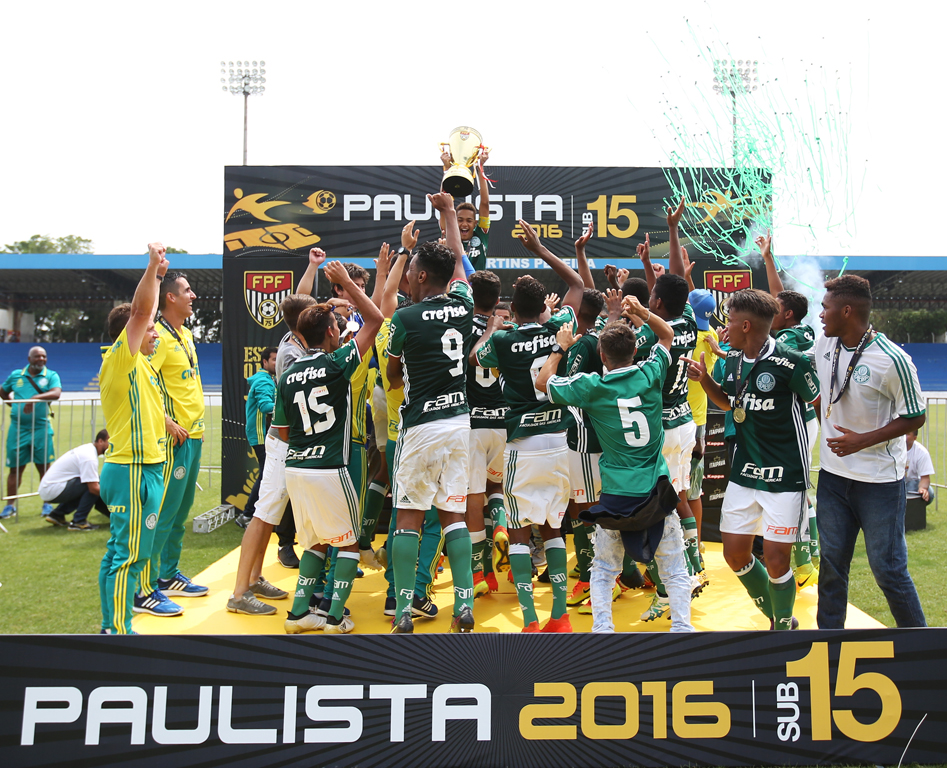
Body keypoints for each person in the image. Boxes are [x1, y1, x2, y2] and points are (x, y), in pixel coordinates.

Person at [537, 301, 694, 633]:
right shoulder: (651, 373)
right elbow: (667, 336)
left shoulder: (593, 387)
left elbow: (543, 382)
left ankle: (603, 631)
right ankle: (682, 629)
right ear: (636, 350)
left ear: (602, 356)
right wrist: (644, 313)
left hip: (617, 497)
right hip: (655, 492)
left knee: (604, 568)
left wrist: (559, 349)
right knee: (675, 568)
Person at [471, 221, 585, 633]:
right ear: (543, 309)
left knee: (518, 531)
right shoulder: (560, 328)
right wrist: (538, 249)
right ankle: (559, 616)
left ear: (512, 309)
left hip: (519, 444)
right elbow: (577, 283)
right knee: (554, 528)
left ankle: (530, 619)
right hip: (558, 441)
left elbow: (476, 358)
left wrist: (495, 328)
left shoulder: (502, 341)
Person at [688, 288, 820, 630]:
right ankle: (778, 619)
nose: (724, 327)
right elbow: (727, 403)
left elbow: (819, 404)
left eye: (729, 320)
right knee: (734, 555)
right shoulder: (731, 360)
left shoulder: (793, 362)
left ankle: (781, 626)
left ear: (746, 325)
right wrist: (705, 381)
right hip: (745, 474)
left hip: (785, 475)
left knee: (776, 561)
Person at [274, 261, 384, 634]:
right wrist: (345, 285)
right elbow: (375, 319)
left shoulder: (287, 374)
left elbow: (283, 431)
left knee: (316, 543)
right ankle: (335, 617)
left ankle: (298, 614)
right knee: (349, 544)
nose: (340, 330)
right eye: (336, 327)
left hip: (296, 468)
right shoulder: (338, 363)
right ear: (331, 332)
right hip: (330, 468)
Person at [814, 274, 927, 629]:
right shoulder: (824, 344)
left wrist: (862, 440)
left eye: (825, 307)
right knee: (831, 567)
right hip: (833, 478)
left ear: (846, 311)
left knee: (889, 571)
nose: (820, 314)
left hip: (878, 483)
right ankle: (827, 652)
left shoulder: (893, 360)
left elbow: (916, 416)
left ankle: (924, 650)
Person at [387, 190, 476, 635]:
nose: (406, 280)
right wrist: (446, 215)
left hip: (421, 425)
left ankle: (403, 610)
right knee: (454, 516)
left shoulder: (405, 319)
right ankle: (463, 606)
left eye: (409, 272)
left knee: (409, 517)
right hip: (460, 424)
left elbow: (392, 375)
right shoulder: (463, 306)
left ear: (421, 273)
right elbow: (459, 257)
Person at [226, 251, 325, 616]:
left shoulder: (292, 336)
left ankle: (252, 578)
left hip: (287, 442)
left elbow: (299, 303)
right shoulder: (292, 354)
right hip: (285, 443)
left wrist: (312, 267)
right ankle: (238, 593)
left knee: (270, 513)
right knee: (264, 514)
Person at [98, 243, 169, 635]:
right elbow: (142, 311)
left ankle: (113, 625)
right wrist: (155, 273)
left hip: (145, 469)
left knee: (121, 554)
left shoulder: (141, 365)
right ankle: (118, 632)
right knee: (127, 556)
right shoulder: (120, 358)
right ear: (131, 333)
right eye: (151, 330)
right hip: (132, 471)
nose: (155, 333)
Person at [133, 269, 208, 618]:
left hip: (194, 435)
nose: (193, 295)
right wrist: (166, 421)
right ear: (170, 298)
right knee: (163, 515)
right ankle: (145, 588)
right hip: (174, 440)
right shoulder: (158, 337)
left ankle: (167, 575)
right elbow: (142, 381)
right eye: (187, 290)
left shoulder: (186, 334)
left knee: (180, 514)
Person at [758, 231, 820, 587]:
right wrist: (768, 258)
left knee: (796, 488)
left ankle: (804, 562)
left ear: (789, 315)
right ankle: (807, 556)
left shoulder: (791, 339)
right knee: (798, 489)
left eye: (775, 309)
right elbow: (778, 296)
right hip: (797, 420)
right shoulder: (794, 329)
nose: (769, 309)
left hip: (800, 421)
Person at [465, 269, 510, 597]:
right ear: (497, 301)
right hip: (503, 422)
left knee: (472, 497)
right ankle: (502, 525)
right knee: (497, 486)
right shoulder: (506, 330)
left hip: (471, 423)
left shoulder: (459, 326)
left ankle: (480, 575)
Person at [1, 346, 61, 519]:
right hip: (18, 429)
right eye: (37, 356)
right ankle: (10, 505)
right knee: (15, 469)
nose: (41, 359)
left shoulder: (51, 375)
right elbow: (3, 391)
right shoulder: (16, 375)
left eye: (44, 356)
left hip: (41, 429)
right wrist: (13, 407)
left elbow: (56, 393)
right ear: (29, 359)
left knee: (44, 469)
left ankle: (47, 504)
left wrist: (34, 398)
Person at [237, 347, 278, 526]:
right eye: (274, 360)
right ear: (265, 362)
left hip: (264, 434)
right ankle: (247, 515)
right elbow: (266, 407)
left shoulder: (268, 379)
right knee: (266, 476)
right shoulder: (263, 381)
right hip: (262, 435)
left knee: (267, 475)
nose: (277, 363)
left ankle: (251, 514)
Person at [40, 429, 110, 530]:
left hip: (51, 488)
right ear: (100, 441)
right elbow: (93, 488)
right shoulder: (89, 457)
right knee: (92, 485)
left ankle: (57, 515)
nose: (112, 446)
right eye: (109, 442)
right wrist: (114, 499)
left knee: (91, 482)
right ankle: (79, 521)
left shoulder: (88, 450)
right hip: (53, 489)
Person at [441, 148, 491, 271]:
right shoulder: (449, 235)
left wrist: (480, 168)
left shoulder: (481, 234)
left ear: (475, 223)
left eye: (469, 220)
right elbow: (443, 206)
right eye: (460, 220)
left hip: (479, 289)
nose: (464, 224)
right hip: (456, 289)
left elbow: (485, 203)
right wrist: (448, 170)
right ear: (454, 221)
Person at [905, 430, 935, 504]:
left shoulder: (921, 452)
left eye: (907, 434)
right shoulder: (892, 449)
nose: (903, 436)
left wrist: (923, 489)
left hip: (912, 483)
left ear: (914, 438)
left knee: (929, 492)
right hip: (894, 483)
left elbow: (925, 478)